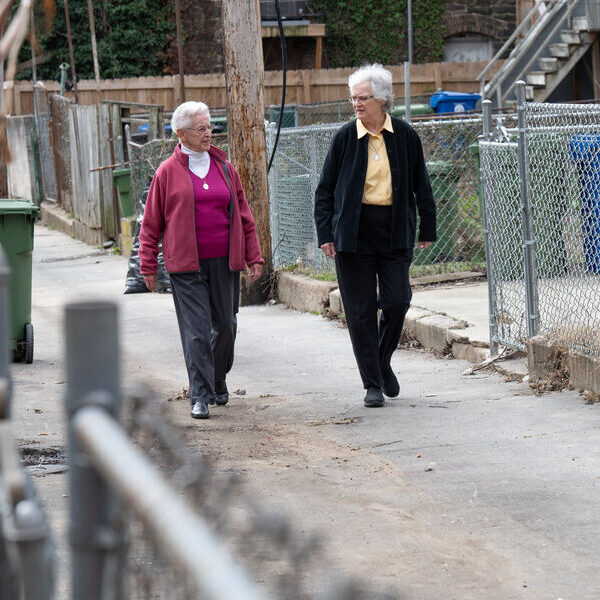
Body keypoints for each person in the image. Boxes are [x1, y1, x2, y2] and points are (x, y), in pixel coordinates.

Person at [314, 64, 436, 408]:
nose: (357, 103)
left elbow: (421, 185)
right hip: (353, 233)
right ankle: (371, 383)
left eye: (363, 97)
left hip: (394, 229)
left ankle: (382, 362)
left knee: (398, 301)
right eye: (353, 98)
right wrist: (326, 233)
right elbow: (324, 191)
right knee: (360, 310)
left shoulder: (405, 136)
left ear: (382, 99)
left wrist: (428, 225)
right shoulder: (344, 138)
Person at [139, 101, 264, 420]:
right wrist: (148, 264)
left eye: (210, 127)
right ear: (181, 134)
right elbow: (151, 222)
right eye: (201, 128)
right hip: (186, 266)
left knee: (225, 326)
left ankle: (218, 377)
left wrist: (253, 255)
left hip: (224, 261)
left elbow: (243, 214)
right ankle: (200, 394)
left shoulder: (224, 167)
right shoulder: (167, 172)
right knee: (196, 330)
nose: (209, 133)